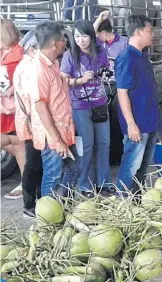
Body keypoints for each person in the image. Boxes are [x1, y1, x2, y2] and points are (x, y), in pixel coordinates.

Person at [60, 20, 112, 197]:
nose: (80, 40)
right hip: (79, 106)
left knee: (104, 144)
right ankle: (85, 186)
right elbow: (62, 81)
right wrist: (80, 80)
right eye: (76, 36)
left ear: (91, 36)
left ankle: (104, 184)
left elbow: (106, 70)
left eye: (84, 36)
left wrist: (105, 75)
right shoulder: (69, 56)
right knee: (87, 146)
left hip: (100, 103)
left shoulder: (101, 52)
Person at [29, 22, 79, 197]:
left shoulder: (54, 63)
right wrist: (57, 140)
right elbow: (40, 107)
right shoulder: (40, 70)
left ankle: (64, 206)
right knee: (53, 175)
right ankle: (47, 218)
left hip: (64, 130)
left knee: (73, 169)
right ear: (54, 44)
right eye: (63, 39)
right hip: (52, 135)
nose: (65, 42)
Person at [114, 15, 162, 193]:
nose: (153, 34)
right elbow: (122, 92)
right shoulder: (127, 57)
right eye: (150, 31)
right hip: (137, 123)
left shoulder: (142, 56)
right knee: (131, 166)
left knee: (142, 168)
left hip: (149, 121)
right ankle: (123, 203)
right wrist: (131, 124)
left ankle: (136, 202)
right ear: (138, 31)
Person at [13, 46, 45, 218]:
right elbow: (30, 99)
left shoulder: (29, 65)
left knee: (36, 163)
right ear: (33, 49)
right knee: (33, 163)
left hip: (33, 121)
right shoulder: (28, 68)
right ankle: (29, 204)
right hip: (32, 122)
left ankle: (36, 201)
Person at [1, 19, 27, 200]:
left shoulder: (19, 54)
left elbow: (24, 79)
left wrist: (12, 89)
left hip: (13, 105)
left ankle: (26, 182)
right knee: (12, 142)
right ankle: (29, 174)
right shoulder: (4, 52)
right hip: (4, 104)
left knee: (18, 142)